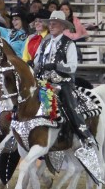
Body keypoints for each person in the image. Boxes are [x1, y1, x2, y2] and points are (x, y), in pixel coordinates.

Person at [33, 10, 97, 150]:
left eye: (55, 23)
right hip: (44, 82)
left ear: (63, 27)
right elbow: (37, 60)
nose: (51, 25)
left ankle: (84, 135)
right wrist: (37, 67)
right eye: (50, 23)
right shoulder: (44, 43)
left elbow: (72, 67)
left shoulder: (69, 44)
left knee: (70, 105)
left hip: (62, 82)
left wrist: (56, 66)